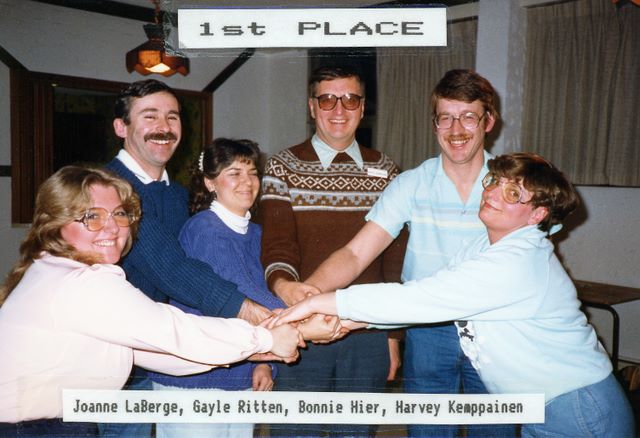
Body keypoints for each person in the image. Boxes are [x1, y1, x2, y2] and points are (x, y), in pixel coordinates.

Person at [273, 153, 635, 438]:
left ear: (537, 214)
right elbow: (430, 301)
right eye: (494, 182)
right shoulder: (483, 246)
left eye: (512, 194)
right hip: (546, 405)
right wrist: (343, 322)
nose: (492, 193)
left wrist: (317, 303)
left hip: (577, 407)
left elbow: (420, 299)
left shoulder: (518, 261)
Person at [0, 166, 302, 437]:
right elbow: (174, 331)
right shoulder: (82, 282)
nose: (112, 227)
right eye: (92, 216)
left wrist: (257, 351)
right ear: (56, 224)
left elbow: (158, 352)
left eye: (119, 214)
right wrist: (265, 338)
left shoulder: (53, 269)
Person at [290, 69, 512, 437]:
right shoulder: (410, 184)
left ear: (488, 121)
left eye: (468, 117)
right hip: (429, 333)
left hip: (498, 329)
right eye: (445, 117)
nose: (456, 129)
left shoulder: (514, 186)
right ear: (434, 124)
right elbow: (355, 255)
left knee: (495, 432)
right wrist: (308, 295)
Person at [103, 79, 273, 437]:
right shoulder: (108, 187)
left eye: (172, 117)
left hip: (162, 356)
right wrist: (255, 313)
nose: (164, 127)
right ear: (121, 127)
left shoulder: (178, 196)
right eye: (150, 116)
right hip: (114, 361)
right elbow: (172, 270)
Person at [150, 138, 339, 438]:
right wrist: (308, 316)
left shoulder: (258, 234)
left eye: (252, 172)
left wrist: (264, 365)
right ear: (210, 182)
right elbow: (244, 292)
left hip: (240, 376)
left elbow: (269, 294)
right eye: (234, 173)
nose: (247, 182)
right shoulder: (204, 229)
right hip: (194, 382)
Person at [258, 65, 406, 436]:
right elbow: (277, 245)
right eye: (327, 100)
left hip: (367, 332)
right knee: (296, 432)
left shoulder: (387, 169)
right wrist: (287, 288)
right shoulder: (283, 166)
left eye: (350, 99)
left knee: (356, 432)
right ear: (312, 107)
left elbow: (394, 262)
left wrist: (392, 338)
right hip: (305, 330)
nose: (339, 110)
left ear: (363, 107)